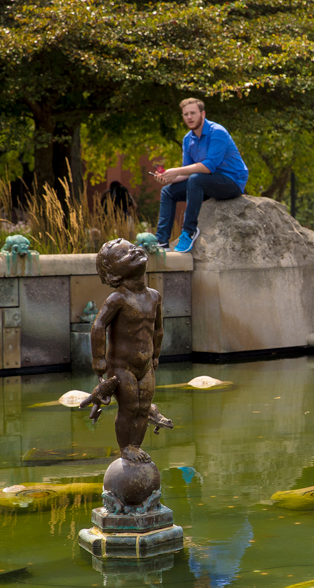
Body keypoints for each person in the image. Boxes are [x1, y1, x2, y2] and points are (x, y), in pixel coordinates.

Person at [82, 238, 167, 463]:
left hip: (146, 365)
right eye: (123, 254)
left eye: (132, 247)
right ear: (113, 273)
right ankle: (125, 448)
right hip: (122, 367)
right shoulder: (118, 298)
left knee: (143, 407)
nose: (134, 251)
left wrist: (156, 354)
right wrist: (98, 359)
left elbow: (158, 329)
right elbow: (98, 326)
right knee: (129, 407)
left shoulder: (154, 296)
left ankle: (136, 446)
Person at [154, 98, 249, 252]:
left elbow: (209, 167)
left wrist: (177, 171)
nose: (189, 117)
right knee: (168, 191)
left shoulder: (217, 132)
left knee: (196, 179)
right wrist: (168, 177)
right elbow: (188, 171)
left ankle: (189, 232)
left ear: (203, 114)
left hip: (232, 182)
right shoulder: (187, 139)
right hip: (204, 182)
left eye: (193, 113)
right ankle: (161, 242)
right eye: (186, 114)